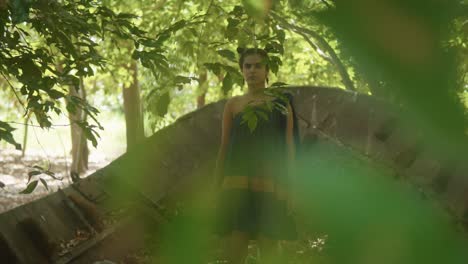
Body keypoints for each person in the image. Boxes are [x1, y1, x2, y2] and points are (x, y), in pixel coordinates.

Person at [213, 48, 297, 264]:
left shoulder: (281, 103)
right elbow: (224, 147)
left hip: (271, 184)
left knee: (268, 245)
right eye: (247, 66)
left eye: (258, 66)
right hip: (237, 184)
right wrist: (216, 184)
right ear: (241, 70)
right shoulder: (233, 104)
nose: (252, 70)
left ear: (267, 70)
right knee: (235, 246)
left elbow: (289, 147)